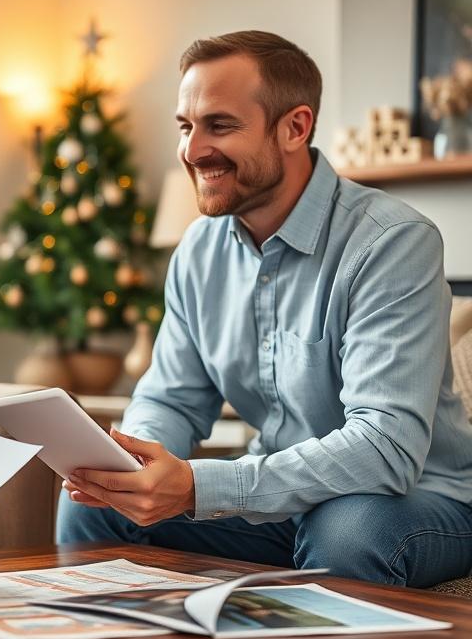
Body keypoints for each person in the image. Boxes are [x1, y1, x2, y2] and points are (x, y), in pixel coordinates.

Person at [57, 30, 472, 588]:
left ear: (295, 127)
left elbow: (385, 448)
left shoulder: (392, 243)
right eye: (186, 126)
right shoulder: (197, 254)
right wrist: (132, 468)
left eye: (220, 125)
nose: (192, 149)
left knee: (347, 529)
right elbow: (172, 399)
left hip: (413, 501)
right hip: (282, 505)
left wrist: (202, 487)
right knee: (99, 506)